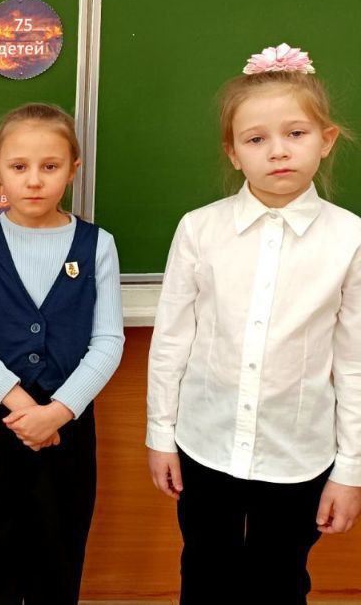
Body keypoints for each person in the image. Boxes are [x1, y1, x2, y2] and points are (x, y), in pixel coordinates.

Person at [146, 44, 360, 605]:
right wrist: (160, 434)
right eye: (256, 139)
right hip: (205, 443)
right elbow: (171, 341)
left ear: (326, 140)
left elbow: (355, 363)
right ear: (234, 153)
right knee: (204, 572)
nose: (278, 151)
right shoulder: (199, 229)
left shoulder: (350, 239)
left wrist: (350, 469)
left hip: (297, 454)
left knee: (280, 580)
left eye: (296, 133)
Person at [0, 103, 124, 604]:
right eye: (19, 166)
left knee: (59, 544)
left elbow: (109, 340)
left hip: (70, 416)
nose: (34, 180)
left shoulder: (97, 244)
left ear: (73, 169)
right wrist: (23, 406)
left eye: (50, 166)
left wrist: (58, 412)